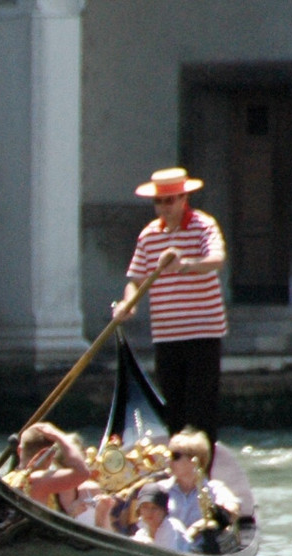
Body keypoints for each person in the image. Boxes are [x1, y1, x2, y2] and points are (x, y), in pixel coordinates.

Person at [112, 168, 227, 440]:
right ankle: (180, 472)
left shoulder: (203, 225)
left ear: (183, 198)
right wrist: (129, 303)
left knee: (200, 411)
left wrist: (184, 265)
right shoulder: (149, 234)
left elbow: (217, 260)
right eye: (159, 202)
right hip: (167, 335)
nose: (164, 207)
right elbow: (136, 279)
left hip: (203, 332)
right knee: (174, 411)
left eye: (170, 200)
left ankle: (202, 474)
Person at [162, 427, 240, 538]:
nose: (168, 460)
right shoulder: (160, 489)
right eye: (168, 455)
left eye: (175, 456)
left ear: (195, 460)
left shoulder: (215, 490)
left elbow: (233, 511)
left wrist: (200, 525)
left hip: (200, 550)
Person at [131, 483, 192, 553]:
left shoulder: (173, 528)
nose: (149, 512)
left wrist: (149, 544)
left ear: (164, 511)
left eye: (155, 508)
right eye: (145, 507)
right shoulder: (142, 531)